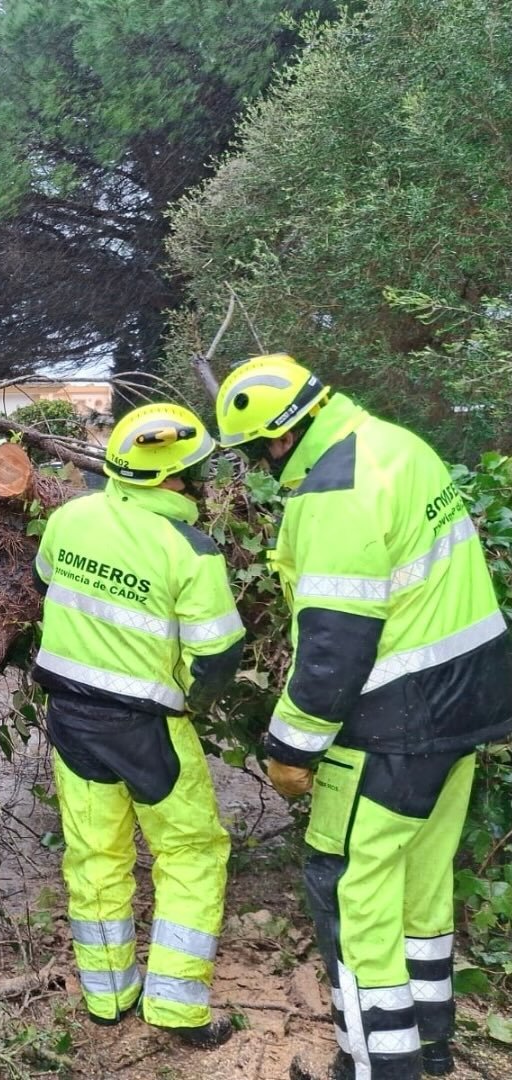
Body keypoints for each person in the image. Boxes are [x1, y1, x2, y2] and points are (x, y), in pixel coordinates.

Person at [214, 354, 512, 1080]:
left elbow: (333, 650)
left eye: (255, 453)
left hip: (390, 724)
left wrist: (291, 749)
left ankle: (378, 1065)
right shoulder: (396, 445)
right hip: (464, 706)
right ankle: (428, 1043)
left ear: (279, 438)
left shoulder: (333, 493)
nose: (258, 467)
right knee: (420, 878)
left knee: (350, 886)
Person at [32, 402, 245, 1047]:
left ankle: (108, 999)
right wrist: (191, 697)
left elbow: (49, 582)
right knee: (190, 854)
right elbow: (218, 659)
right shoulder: (191, 549)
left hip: (70, 718)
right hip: (151, 728)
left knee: (95, 856)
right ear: (177, 478)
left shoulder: (68, 518)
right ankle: (177, 1009)